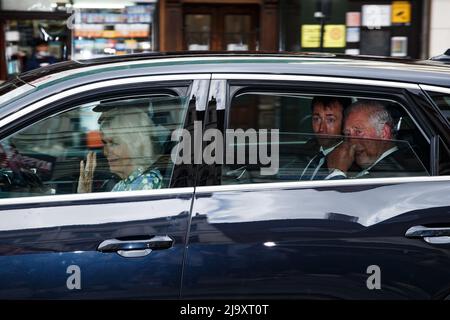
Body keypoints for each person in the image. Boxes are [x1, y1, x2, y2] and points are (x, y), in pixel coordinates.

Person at [325, 100, 426, 179]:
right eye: (347, 134)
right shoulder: (388, 165)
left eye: (358, 132)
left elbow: (338, 204)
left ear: (384, 133)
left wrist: (337, 172)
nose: (352, 142)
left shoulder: (392, 173)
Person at [77, 103, 163, 193]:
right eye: (105, 143)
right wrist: (85, 193)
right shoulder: (124, 184)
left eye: (113, 143)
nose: (105, 152)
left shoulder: (146, 184)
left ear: (134, 144)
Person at [299, 96, 351, 180]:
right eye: (316, 119)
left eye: (330, 120)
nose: (321, 128)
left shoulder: (348, 162)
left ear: (345, 122)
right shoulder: (309, 150)